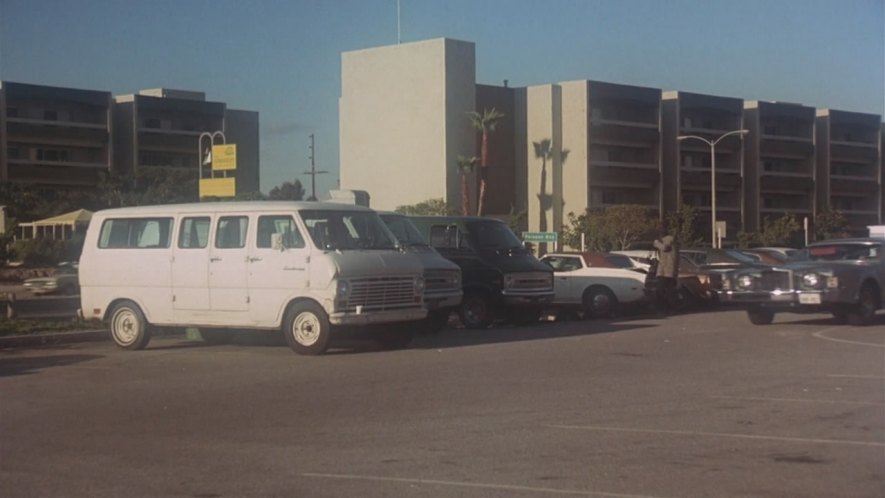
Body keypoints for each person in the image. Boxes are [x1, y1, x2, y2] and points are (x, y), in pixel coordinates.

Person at [654, 232, 680, 312]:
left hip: (665, 271)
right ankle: (671, 307)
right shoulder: (674, 243)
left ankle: (664, 307)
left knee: (660, 290)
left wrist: (656, 243)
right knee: (669, 291)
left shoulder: (668, 239)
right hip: (670, 271)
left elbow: (665, 247)